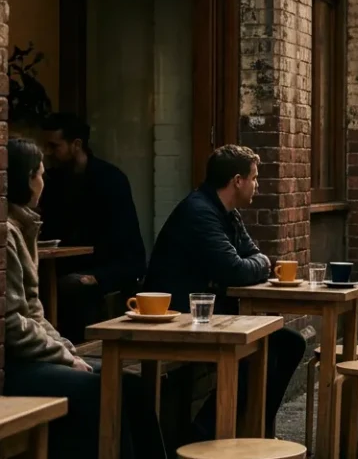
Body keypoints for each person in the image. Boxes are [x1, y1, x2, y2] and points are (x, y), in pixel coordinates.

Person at [3, 138, 167, 459]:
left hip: (30, 357)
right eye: (39, 174)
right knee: (101, 389)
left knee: (132, 386)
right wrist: (65, 357)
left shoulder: (22, 227)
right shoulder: (7, 233)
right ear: (25, 180)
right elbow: (12, 323)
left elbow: (33, 313)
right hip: (13, 365)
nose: (44, 182)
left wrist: (64, 347)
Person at [144, 145, 307, 440]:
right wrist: (259, 264)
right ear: (237, 181)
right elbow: (237, 270)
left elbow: (254, 257)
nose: (257, 184)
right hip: (178, 315)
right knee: (260, 348)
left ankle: (252, 427)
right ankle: (205, 432)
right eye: (254, 178)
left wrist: (258, 263)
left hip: (207, 313)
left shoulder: (227, 213)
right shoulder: (200, 212)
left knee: (290, 343)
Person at [39, 113, 147, 342]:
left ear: (76, 145)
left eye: (54, 146)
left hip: (104, 271)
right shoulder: (51, 182)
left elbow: (129, 250)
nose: (47, 153)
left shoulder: (110, 181)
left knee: (73, 292)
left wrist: (96, 277)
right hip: (60, 269)